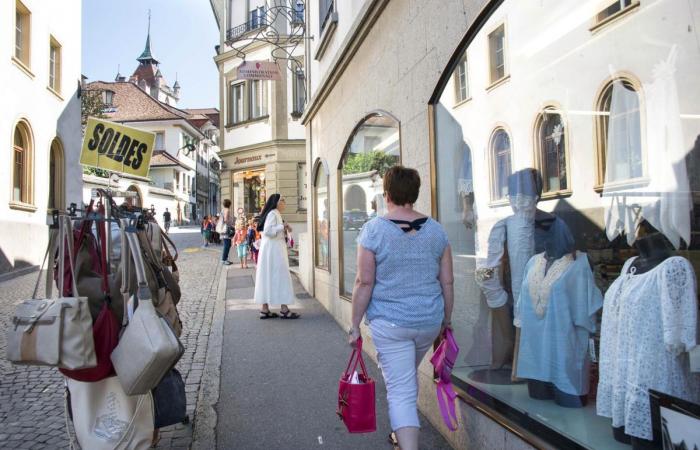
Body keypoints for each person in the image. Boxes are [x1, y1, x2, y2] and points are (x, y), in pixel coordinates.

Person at [347, 166, 454, 450]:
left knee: (400, 390)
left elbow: (364, 281)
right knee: (405, 379)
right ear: (414, 194)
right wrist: (446, 319)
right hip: (428, 322)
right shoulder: (437, 231)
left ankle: (407, 444)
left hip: (391, 324)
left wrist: (354, 324)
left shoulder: (373, 230)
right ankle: (402, 433)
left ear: (387, 194)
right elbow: (448, 282)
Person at [254, 194, 300, 319]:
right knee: (281, 276)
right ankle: (284, 309)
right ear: (276, 203)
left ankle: (265, 309)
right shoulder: (273, 213)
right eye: (282, 200)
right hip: (274, 251)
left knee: (267, 276)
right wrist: (283, 226)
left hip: (271, 250)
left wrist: (285, 228)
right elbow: (268, 231)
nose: (284, 202)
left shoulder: (274, 213)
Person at [220, 200, 234, 265]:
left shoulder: (223, 210)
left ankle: (225, 259)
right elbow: (226, 220)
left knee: (227, 244)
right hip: (226, 230)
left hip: (223, 229)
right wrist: (231, 224)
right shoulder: (227, 210)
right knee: (227, 245)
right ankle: (224, 259)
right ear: (229, 204)